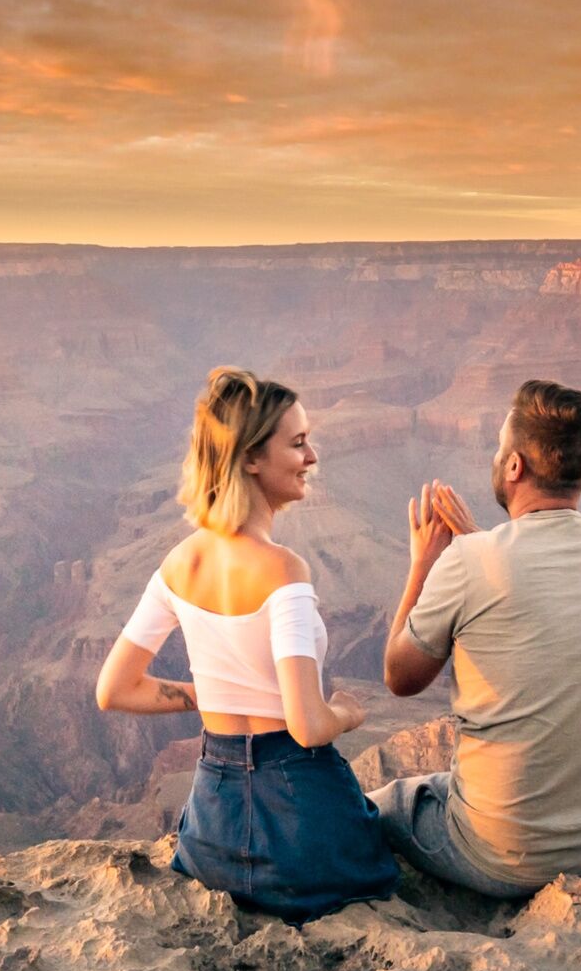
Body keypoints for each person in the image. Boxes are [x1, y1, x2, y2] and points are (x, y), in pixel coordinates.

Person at [95, 366, 398, 917]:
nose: (312, 457)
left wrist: (208, 696)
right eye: (299, 443)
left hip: (212, 834)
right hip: (302, 829)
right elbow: (307, 725)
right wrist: (347, 713)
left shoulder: (179, 563)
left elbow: (114, 689)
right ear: (251, 458)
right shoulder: (284, 570)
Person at [373, 377, 581, 897]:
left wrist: (424, 564)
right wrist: (480, 549)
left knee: (378, 805)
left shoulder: (471, 562)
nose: (498, 458)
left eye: (501, 449)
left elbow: (398, 676)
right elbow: (544, 602)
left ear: (516, 466)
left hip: (503, 857)